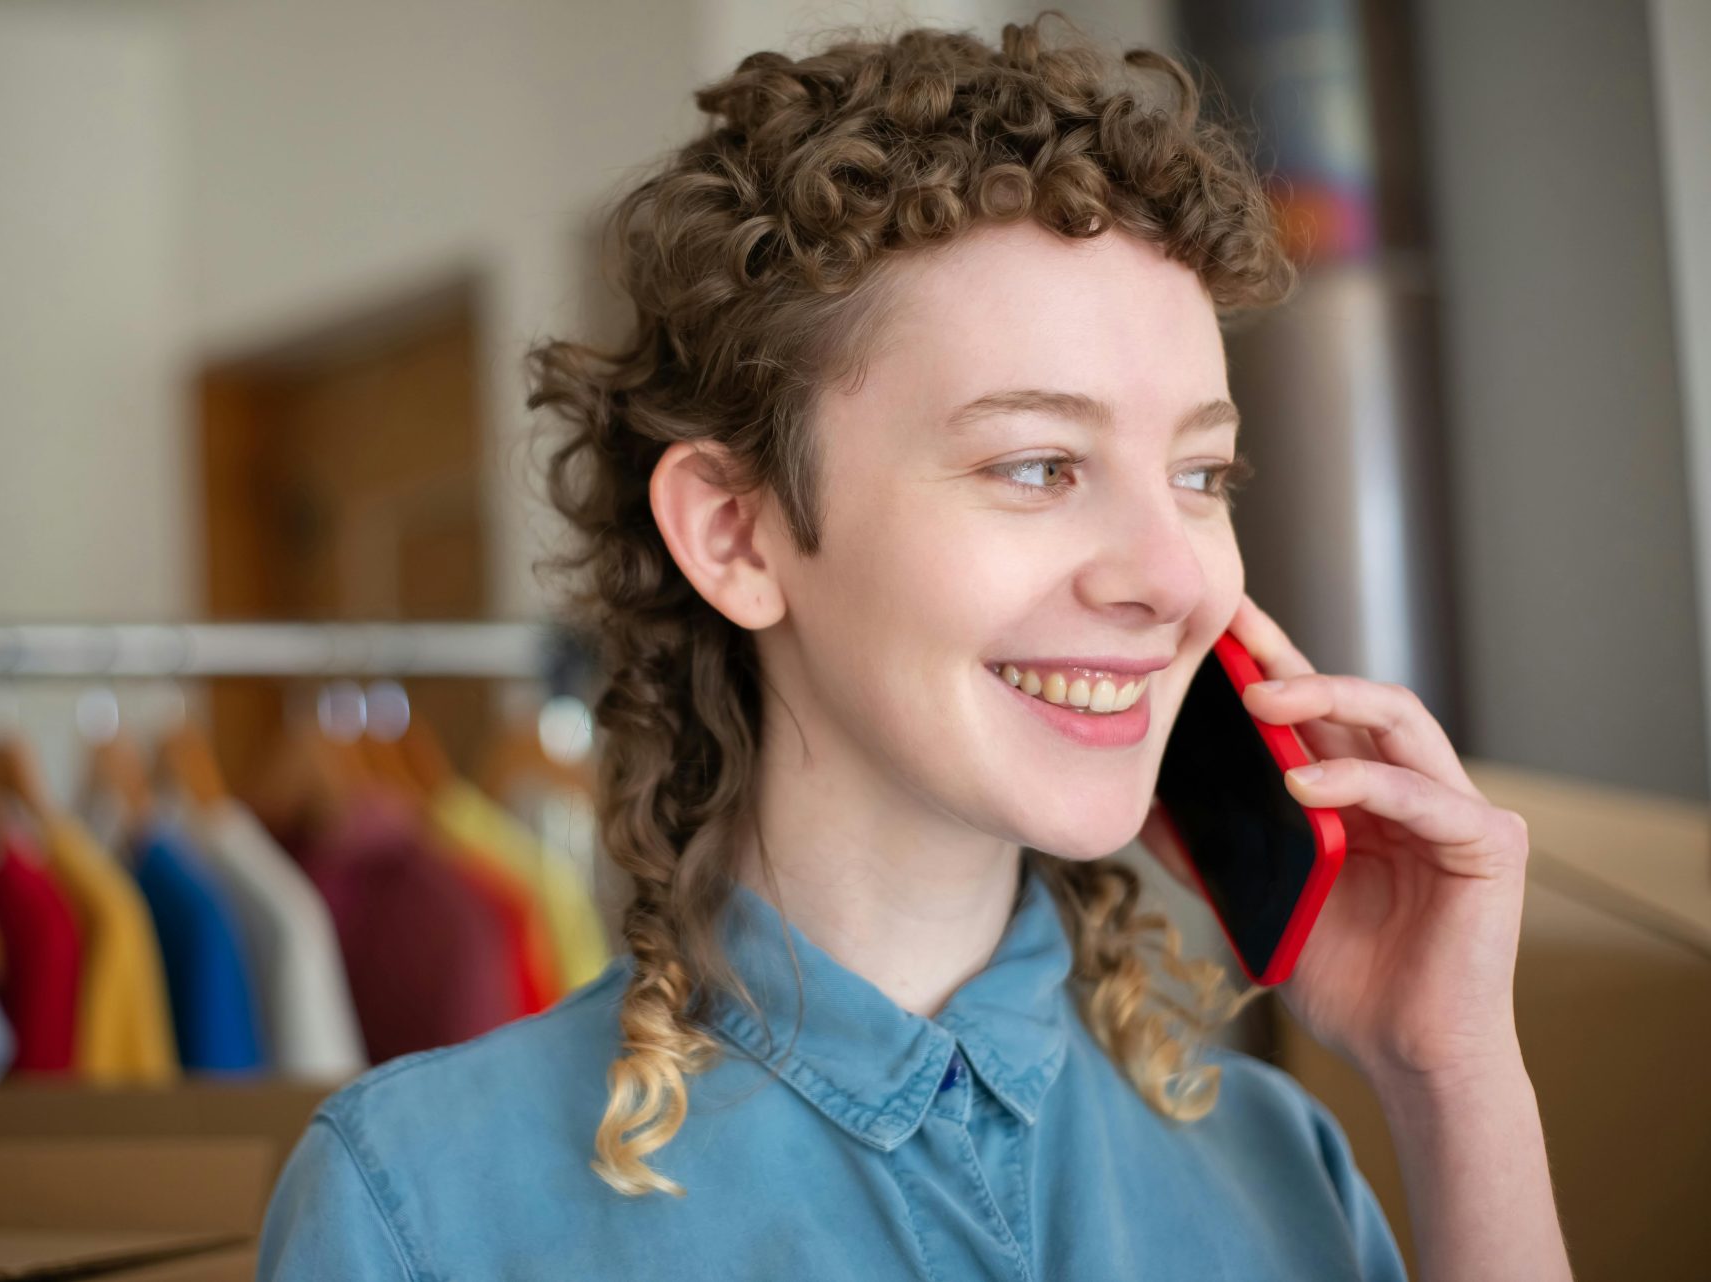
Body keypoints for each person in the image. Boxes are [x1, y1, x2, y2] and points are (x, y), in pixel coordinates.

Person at [257, 13, 1571, 1280]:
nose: (1177, 580)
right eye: (1040, 464)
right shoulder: (422, 1206)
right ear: (738, 532)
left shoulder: (1283, 1163)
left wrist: (1452, 1080)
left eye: (1202, 473)